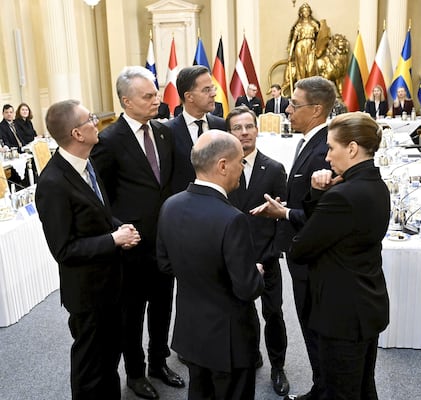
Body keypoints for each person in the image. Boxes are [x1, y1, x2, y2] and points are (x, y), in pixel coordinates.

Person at [36, 99, 141, 399]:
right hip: (87, 295)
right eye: (90, 119)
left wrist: (121, 227)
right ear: (77, 134)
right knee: (90, 370)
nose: (97, 123)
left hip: (110, 286)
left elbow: (100, 215)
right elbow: (64, 249)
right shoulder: (53, 183)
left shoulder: (87, 163)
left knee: (108, 362)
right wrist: (114, 240)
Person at [91, 66, 184, 400]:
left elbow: (169, 182)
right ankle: (135, 372)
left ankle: (159, 361)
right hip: (131, 247)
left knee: (163, 306)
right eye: (148, 96)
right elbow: (99, 196)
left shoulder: (163, 132)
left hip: (165, 242)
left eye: (156, 93)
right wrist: (119, 228)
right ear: (126, 101)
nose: (157, 99)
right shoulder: (108, 140)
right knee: (132, 313)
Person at [289, 112, 390, 400]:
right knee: (362, 388)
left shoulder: (342, 196)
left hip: (341, 311)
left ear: (353, 148)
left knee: (342, 392)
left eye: (332, 147)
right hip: (366, 303)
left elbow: (300, 249)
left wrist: (319, 195)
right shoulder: (375, 184)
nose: (328, 156)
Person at [156, 130, 264, 400]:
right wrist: (257, 273)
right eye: (241, 161)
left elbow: (165, 264)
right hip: (229, 341)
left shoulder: (170, 205)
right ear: (223, 165)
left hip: (192, 334)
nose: (242, 167)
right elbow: (247, 288)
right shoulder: (232, 219)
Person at [250, 76, 336, 400]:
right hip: (304, 254)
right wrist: (285, 206)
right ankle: (321, 387)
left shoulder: (323, 151)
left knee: (314, 330)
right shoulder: (309, 142)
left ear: (316, 109)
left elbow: (320, 216)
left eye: (294, 104)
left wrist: (284, 214)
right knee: (310, 327)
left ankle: (323, 390)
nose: (287, 109)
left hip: (313, 260)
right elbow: (307, 202)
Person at [226, 106, 290, 396]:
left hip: (267, 256)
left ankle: (278, 366)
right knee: (242, 314)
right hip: (235, 258)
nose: (244, 133)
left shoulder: (274, 169)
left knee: (273, 314)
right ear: (229, 134)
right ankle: (250, 357)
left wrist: (272, 253)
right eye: (237, 128)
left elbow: (283, 215)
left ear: (257, 129)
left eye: (248, 126)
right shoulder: (223, 166)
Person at [165, 65, 226, 194]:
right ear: (189, 97)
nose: (214, 94)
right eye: (206, 90)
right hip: (184, 208)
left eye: (213, 88)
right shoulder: (167, 131)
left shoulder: (222, 126)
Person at [288, 3, 320, 80]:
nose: (306, 13)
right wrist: (290, 53)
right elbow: (293, 40)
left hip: (311, 46)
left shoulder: (314, 24)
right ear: (301, 13)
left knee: (311, 68)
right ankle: (301, 87)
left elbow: (320, 37)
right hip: (300, 46)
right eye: (304, 11)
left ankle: (311, 88)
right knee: (301, 68)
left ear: (310, 12)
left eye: (307, 11)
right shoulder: (299, 25)